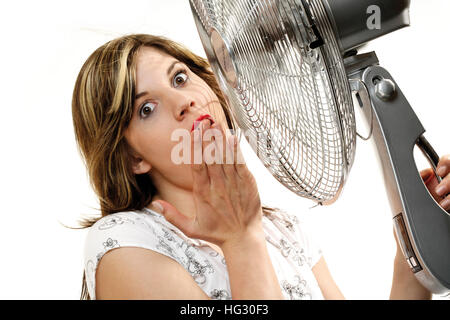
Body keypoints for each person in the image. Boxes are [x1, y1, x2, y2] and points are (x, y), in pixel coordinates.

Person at [72, 34, 450, 300]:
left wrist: (413, 248)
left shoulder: (282, 229)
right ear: (132, 158)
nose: (184, 101)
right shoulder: (123, 243)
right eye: (146, 109)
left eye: (180, 77)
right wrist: (240, 238)